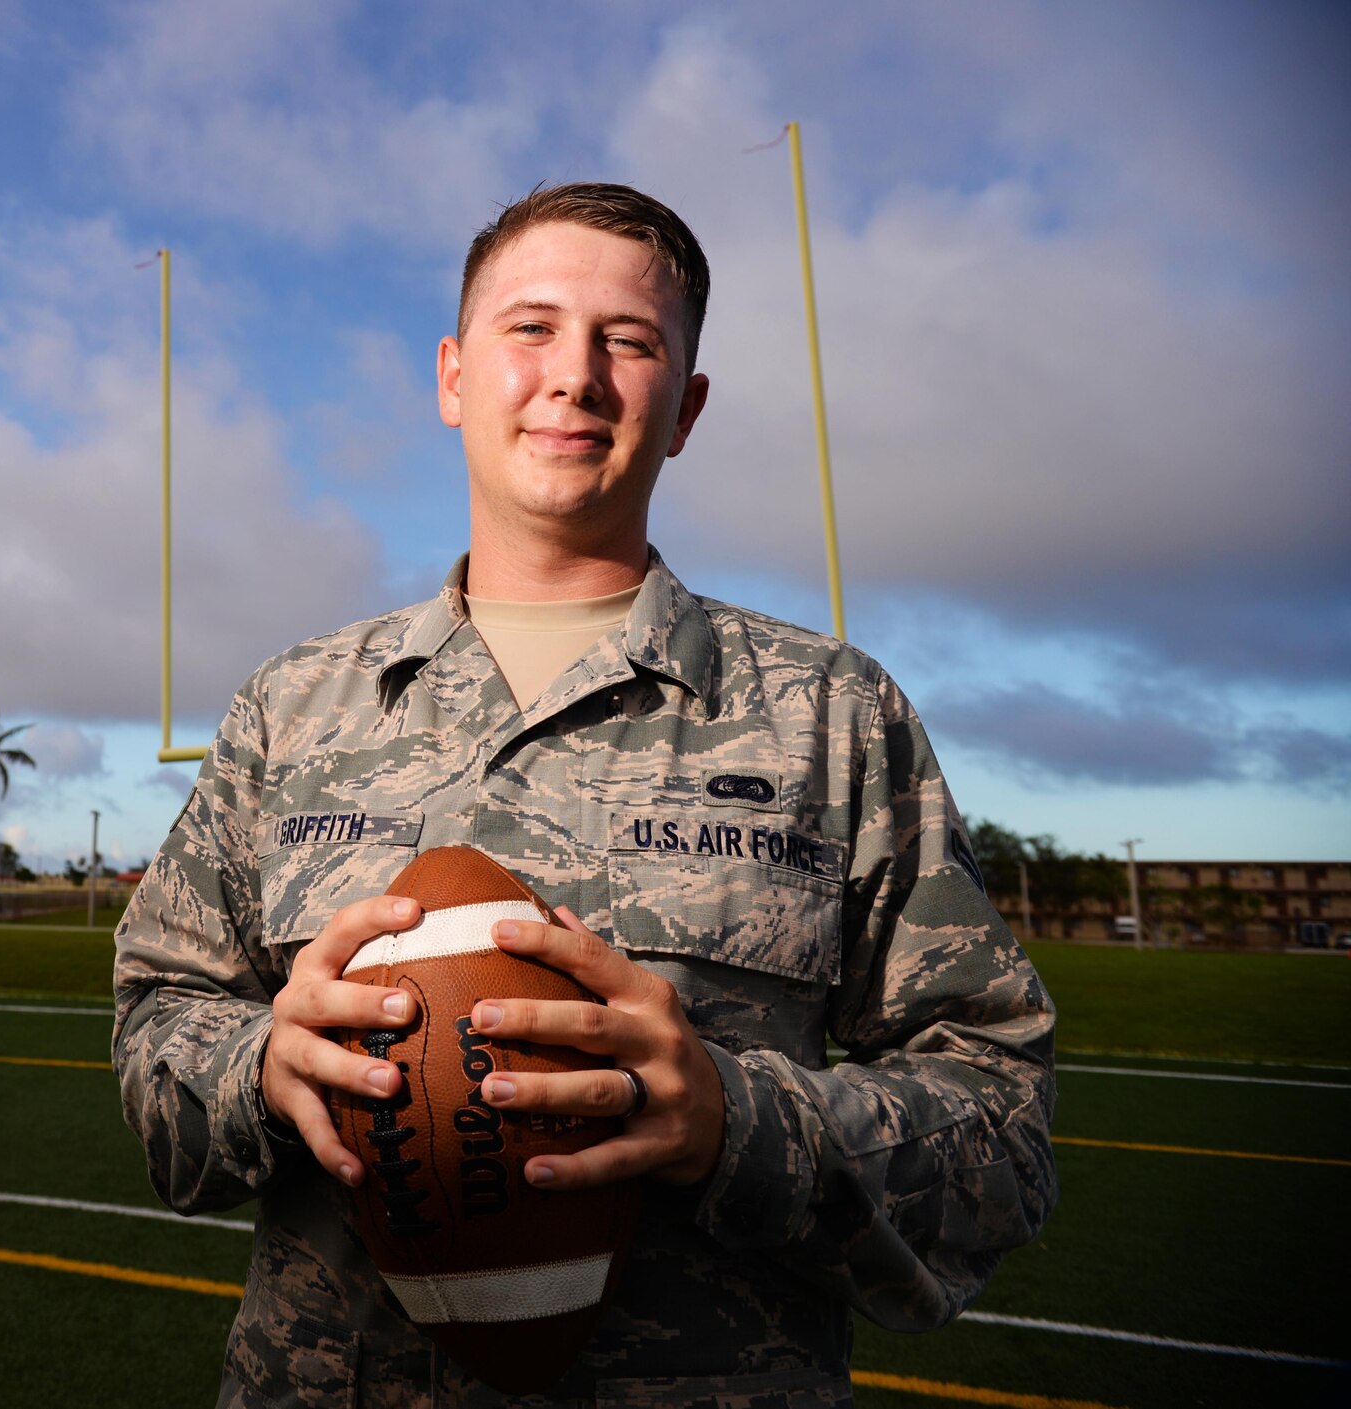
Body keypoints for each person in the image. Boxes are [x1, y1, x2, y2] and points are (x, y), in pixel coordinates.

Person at [113, 182, 1057, 1408]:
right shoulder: (289, 708)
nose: (575, 375)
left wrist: (735, 1119)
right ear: (452, 376)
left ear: (685, 409)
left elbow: (1001, 1118)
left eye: (630, 340)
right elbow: (153, 1034)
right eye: (530, 328)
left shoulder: (830, 712)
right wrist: (258, 1069)